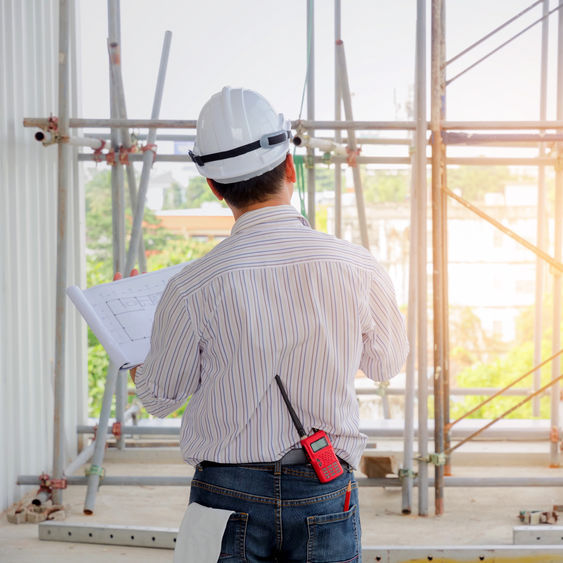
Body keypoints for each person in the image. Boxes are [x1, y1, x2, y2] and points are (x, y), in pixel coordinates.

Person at [132, 86, 408, 562]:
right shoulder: (356, 265)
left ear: (214, 188)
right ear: (290, 169)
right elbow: (386, 363)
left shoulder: (192, 285)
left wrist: (139, 365)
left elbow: (160, 398)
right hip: (322, 484)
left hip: (224, 495)